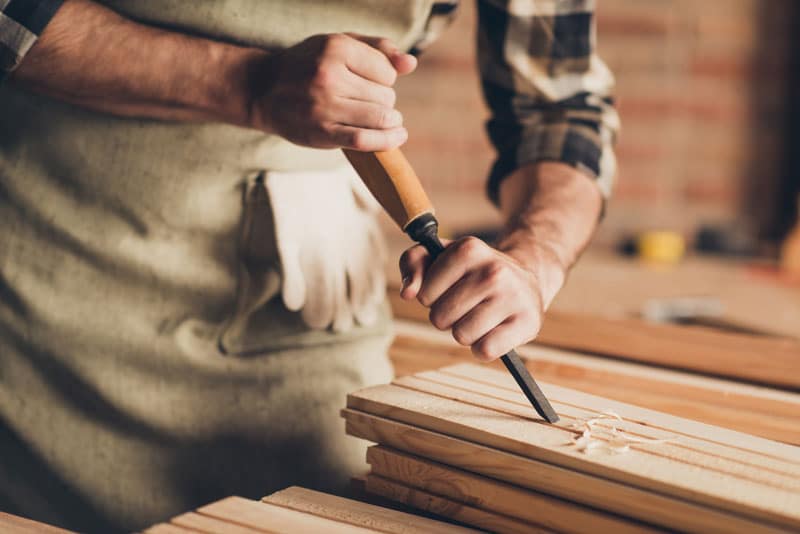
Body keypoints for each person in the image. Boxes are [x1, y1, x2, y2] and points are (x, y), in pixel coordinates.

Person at [0, 0, 618, 531]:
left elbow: (562, 110)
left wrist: (534, 262)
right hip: (53, 277)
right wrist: (249, 85)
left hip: (308, 287)